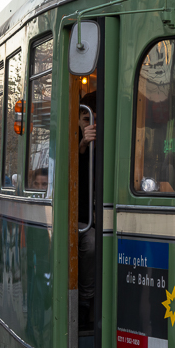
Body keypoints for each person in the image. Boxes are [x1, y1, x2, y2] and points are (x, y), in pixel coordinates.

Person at [78, 93, 97, 330]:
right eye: (86, 119)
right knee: (90, 243)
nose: (91, 125)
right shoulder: (73, 142)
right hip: (80, 220)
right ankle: (84, 300)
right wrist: (83, 143)